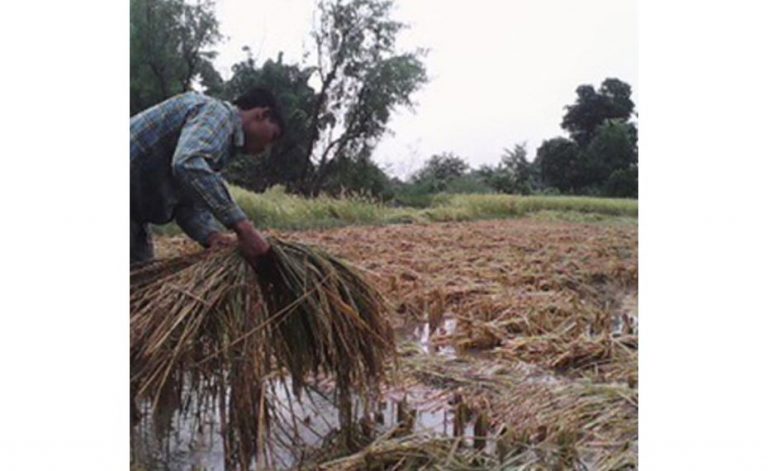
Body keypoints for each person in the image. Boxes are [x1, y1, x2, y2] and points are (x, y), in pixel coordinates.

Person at [130, 87, 284, 269]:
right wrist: (244, 227)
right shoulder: (218, 114)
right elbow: (188, 162)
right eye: (272, 136)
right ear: (263, 114)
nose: (266, 149)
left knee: (140, 282)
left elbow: (186, 204)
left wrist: (212, 236)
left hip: (133, 215)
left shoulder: (216, 146)